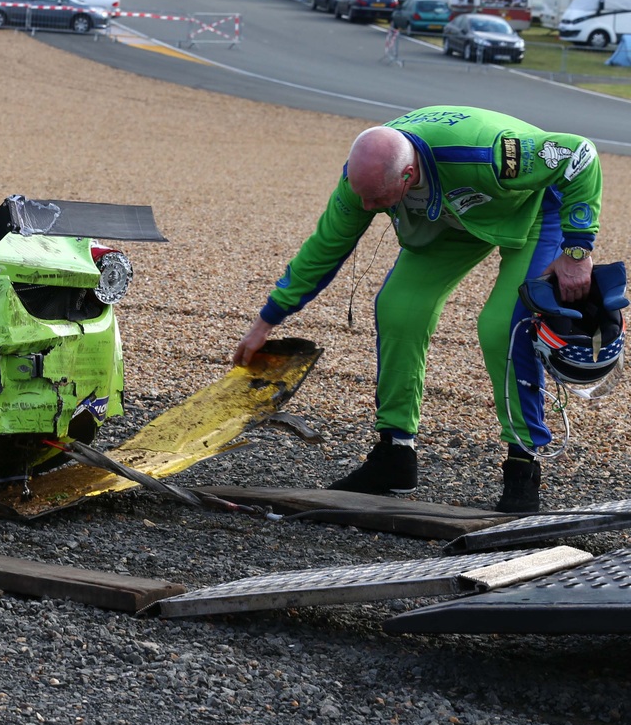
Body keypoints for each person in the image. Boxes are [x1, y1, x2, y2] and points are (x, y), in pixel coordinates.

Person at [232, 108, 604, 514]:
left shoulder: (490, 155)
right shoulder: (364, 180)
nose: (367, 205)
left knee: (501, 327)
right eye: (362, 194)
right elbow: (325, 248)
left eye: (376, 198)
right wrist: (265, 322)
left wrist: (577, 250)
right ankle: (394, 454)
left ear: (407, 176)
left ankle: (523, 465)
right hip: (454, 213)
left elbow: (579, 154)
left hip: (531, 210)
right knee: (399, 308)